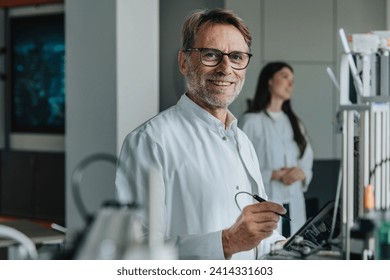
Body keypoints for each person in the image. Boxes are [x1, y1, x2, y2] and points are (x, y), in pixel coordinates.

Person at [115, 8, 286, 260]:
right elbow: (135, 252)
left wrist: (293, 249)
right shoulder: (151, 141)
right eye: (210, 55)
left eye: (237, 57)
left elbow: (257, 238)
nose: (226, 68)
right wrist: (225, 243)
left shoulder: (243, 142)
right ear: (184, 62)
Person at [238, 62, 314, 237]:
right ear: (270, 81)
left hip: (294, 205)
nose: (290, 84)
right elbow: (239, 166)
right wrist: (273, 175)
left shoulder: (296, 123)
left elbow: (306, 161)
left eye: (293, 80)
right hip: (265, 201)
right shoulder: (250, 122)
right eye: (285, 77)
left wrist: (301, 173)